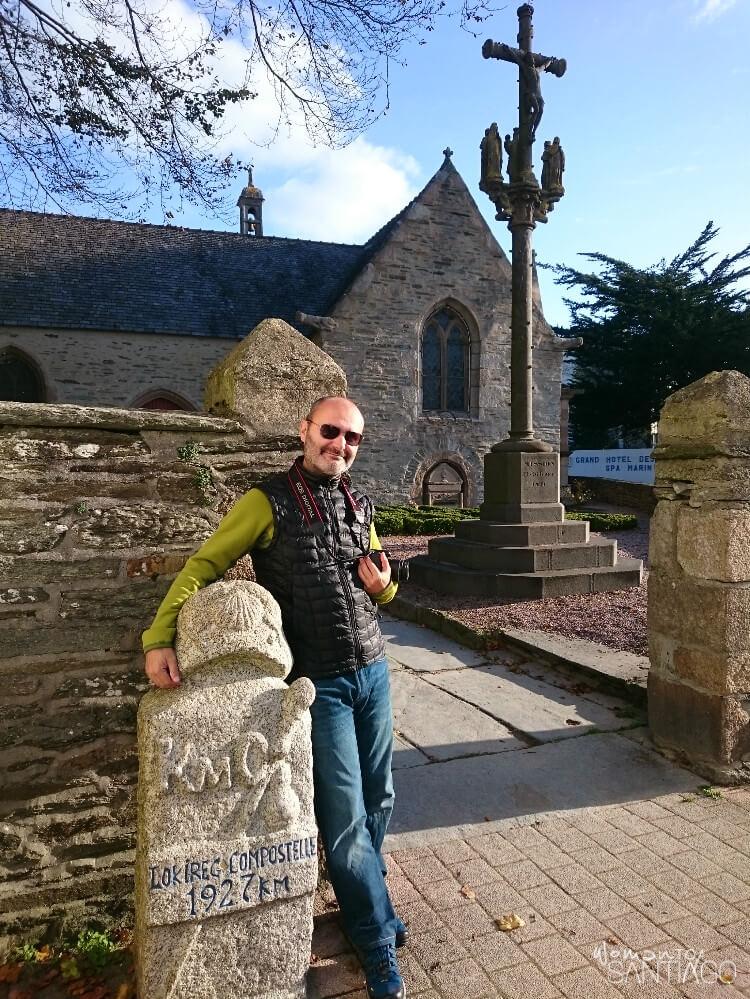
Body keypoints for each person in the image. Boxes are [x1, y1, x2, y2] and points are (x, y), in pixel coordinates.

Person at [142, 396, 406, 999]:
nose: (341, 445)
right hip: (321, 686)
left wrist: (385, 586)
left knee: (381, 800)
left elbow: (379, 586)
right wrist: (160, 636)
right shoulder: (267, 502)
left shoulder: (358, 504)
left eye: (353, 438)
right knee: (343, 825)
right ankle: (376, 939)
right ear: (305, 431)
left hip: (374, 673)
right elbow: (205, 565)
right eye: (331, 431)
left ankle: (374, 906)